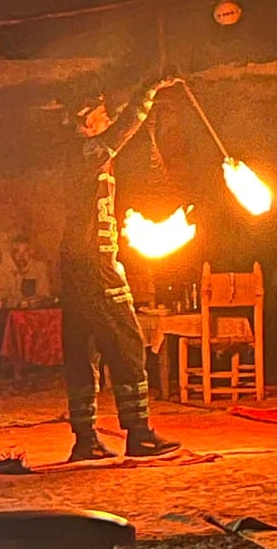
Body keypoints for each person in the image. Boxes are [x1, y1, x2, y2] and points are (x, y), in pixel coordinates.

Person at [60, 75, 182, 462]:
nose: (107, 119)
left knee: (83, 351)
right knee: (128, 345)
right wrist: (149, 90)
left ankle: (85, 440)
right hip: (94, 264)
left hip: (75, 265)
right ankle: (140, 434)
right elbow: (125, 129)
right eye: (101, 114)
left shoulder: (77, 155)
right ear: (86, 122)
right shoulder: (84, 152)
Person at [0, 235, 52, 309]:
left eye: (26, 251)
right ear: (11, 253)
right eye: (16, 251)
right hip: (8, 313)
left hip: (35, 313)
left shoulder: (40, 268)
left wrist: (31, 303)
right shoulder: (0, 271)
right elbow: (0, 301)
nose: (21, 256)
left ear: (31, 252)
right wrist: (19, 303)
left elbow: (45, 296)